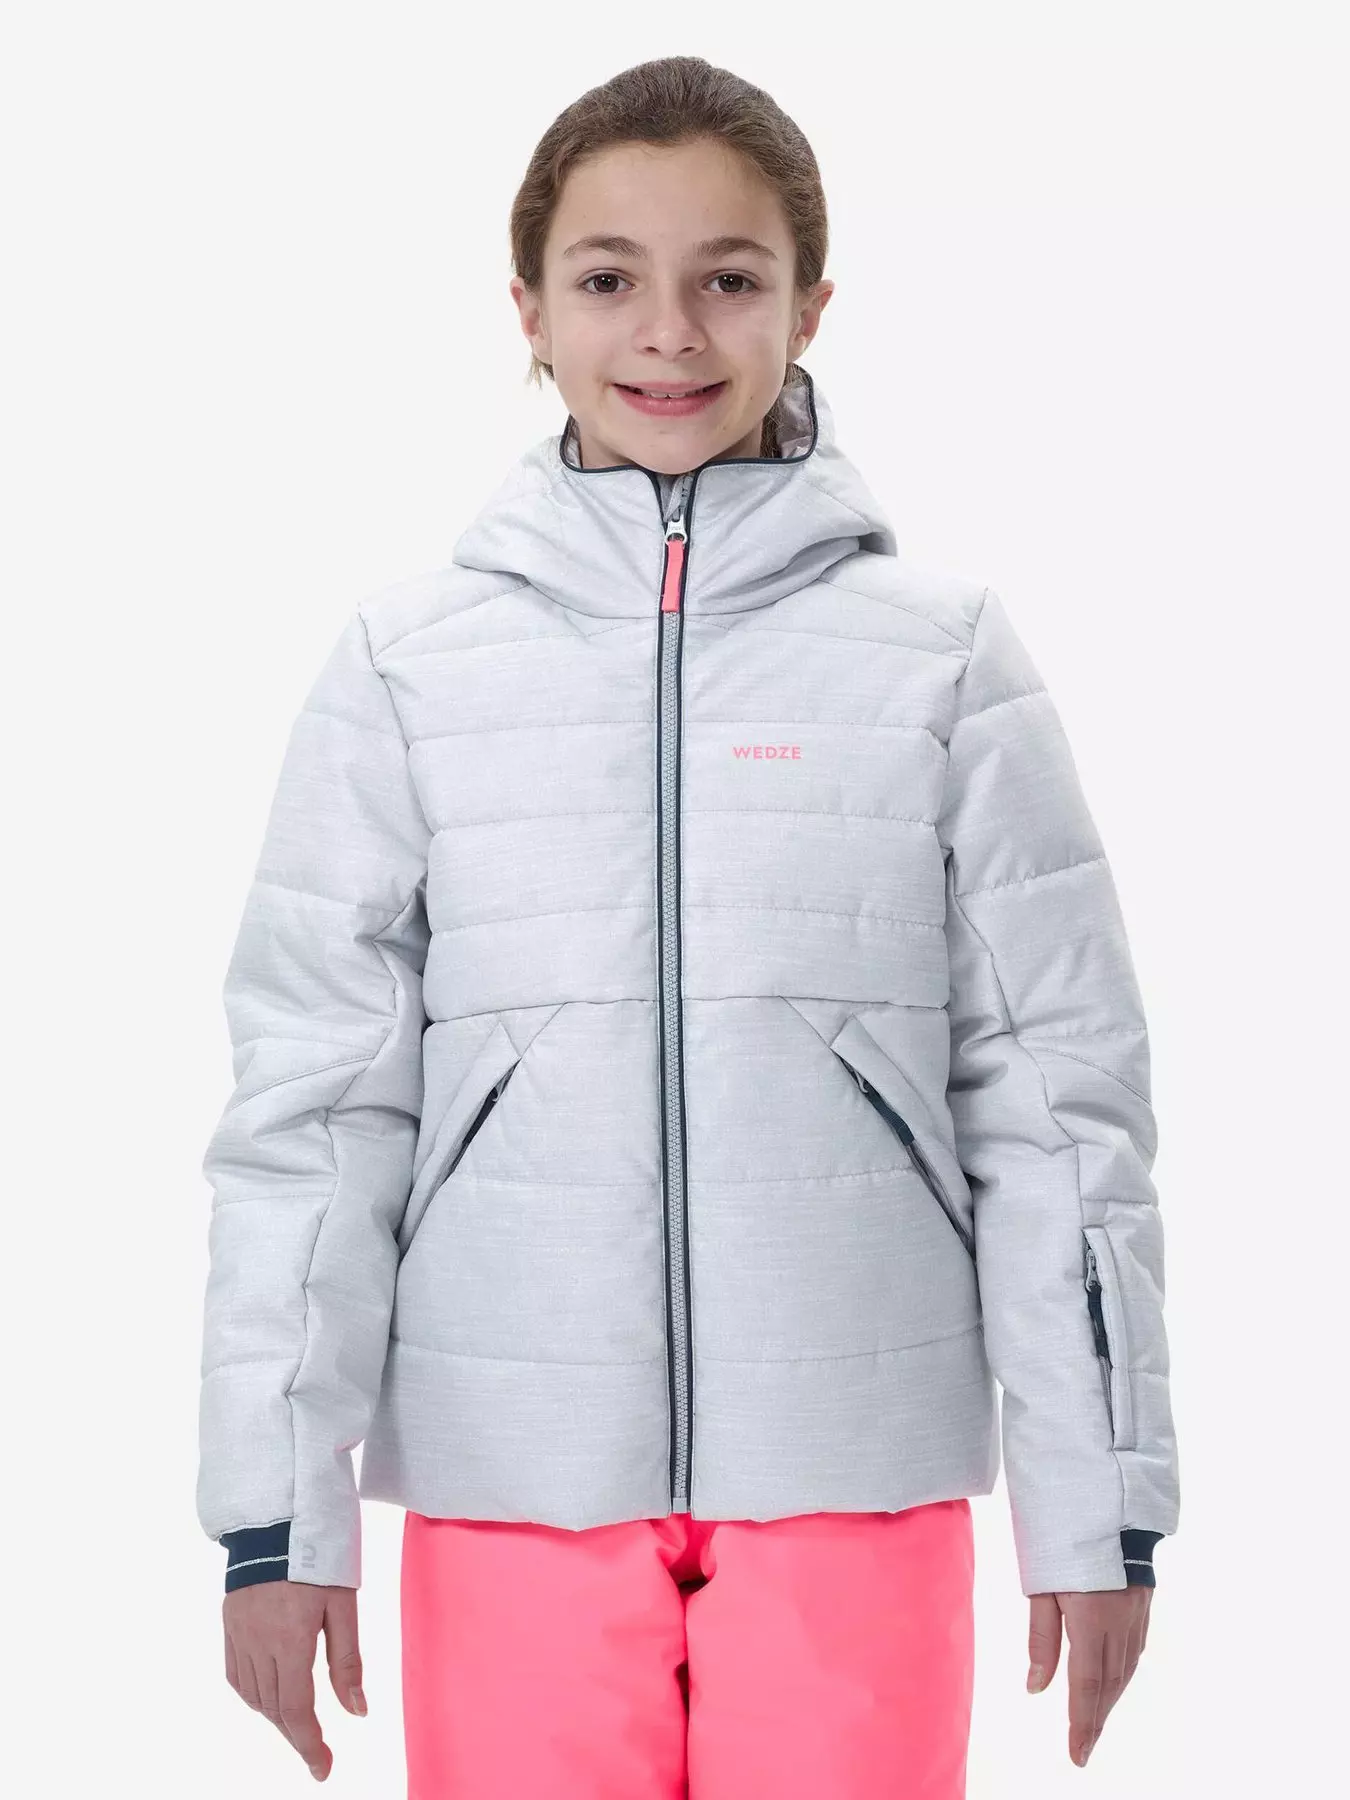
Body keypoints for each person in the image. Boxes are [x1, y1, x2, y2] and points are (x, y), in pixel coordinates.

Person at [197, 54, 1180, 1798]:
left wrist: (1096, 1505)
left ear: (810, 304)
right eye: (606, 277)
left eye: (728, 277)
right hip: (513, 1473)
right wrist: (276, 1518)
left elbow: (1054, 1104)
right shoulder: (411, 667)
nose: (667, 331)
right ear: (526, 307)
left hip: (852, 1470)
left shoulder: (942, 657)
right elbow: (316, 1111)